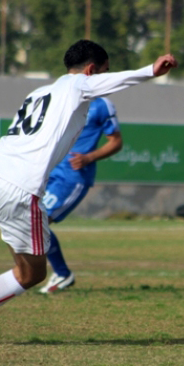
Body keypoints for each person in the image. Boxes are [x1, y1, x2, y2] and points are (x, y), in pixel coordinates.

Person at [0, 39, 177, 343]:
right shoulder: (79, 86)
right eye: (104, 72)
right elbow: (113, 82)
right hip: (17, 186)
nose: (106, 79)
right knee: (32, 274)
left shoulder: (40, 92)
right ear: (91, 70)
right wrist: (151, 70)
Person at [38, 97, 123, 294]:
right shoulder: (61, 95)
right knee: (27, 221)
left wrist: (89, 157)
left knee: (36, 221)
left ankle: (61, 273)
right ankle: (51, 272)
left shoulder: (102, 105)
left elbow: (116, 141)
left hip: (72, 177)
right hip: (49, 170)